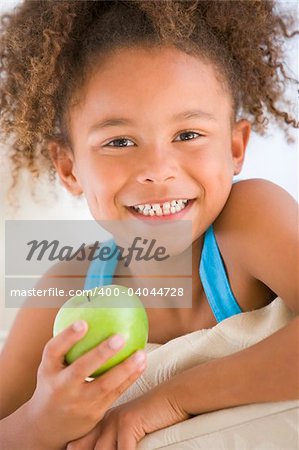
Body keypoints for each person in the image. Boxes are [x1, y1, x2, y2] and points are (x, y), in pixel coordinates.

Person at [0, 1, 298, 449]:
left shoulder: (248, 218)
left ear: (235, 147)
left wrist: (171, 399)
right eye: (119, 141)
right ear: (69, 167)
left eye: (188, 135)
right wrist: (42, 421)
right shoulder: (67, 285)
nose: (158, 170)